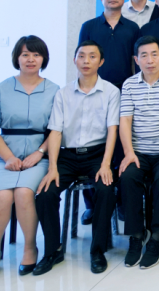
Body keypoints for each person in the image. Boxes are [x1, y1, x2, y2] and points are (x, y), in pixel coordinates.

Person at [34, 40, 120, 276]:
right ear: (74, 60)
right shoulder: (63, 93)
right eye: (81, 56)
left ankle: (97, 250)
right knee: (45, 193)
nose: (86, 61)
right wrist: (52, 167)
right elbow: (55, 131)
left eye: (92, 56)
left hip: (97, 154)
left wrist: (106, 164)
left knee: (105, 190)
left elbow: (112, 130)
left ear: (101, 62)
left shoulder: (111, 92)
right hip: (67, 156)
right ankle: (53, 250)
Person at [0, 36, 59, 281]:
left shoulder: (54, 90)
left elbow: (57, 129)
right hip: (4, 156)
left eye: (36, 55)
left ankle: (29, 248)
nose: (30, 59)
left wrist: (40, 153)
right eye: (25, 54)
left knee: (24, 193)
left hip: (39, 156)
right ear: (17, 58)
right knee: (2, 196)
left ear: (44, 59)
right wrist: (8, 157)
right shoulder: (1, 89)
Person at [118, 36, 159, 269]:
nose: (149, 60)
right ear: (136, 60)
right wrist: (129, 152)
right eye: (143, 55)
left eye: (154, 54)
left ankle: (157, 237)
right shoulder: (129, 84)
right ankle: (136, 236)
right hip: (138, 152)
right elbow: (125, 120)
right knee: (128, 176)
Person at [79, 0, 141, 89]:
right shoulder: (88, 26)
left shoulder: (133, 27)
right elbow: (81, 58)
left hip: (125, 87)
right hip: (94, 86)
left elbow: (136, 60)